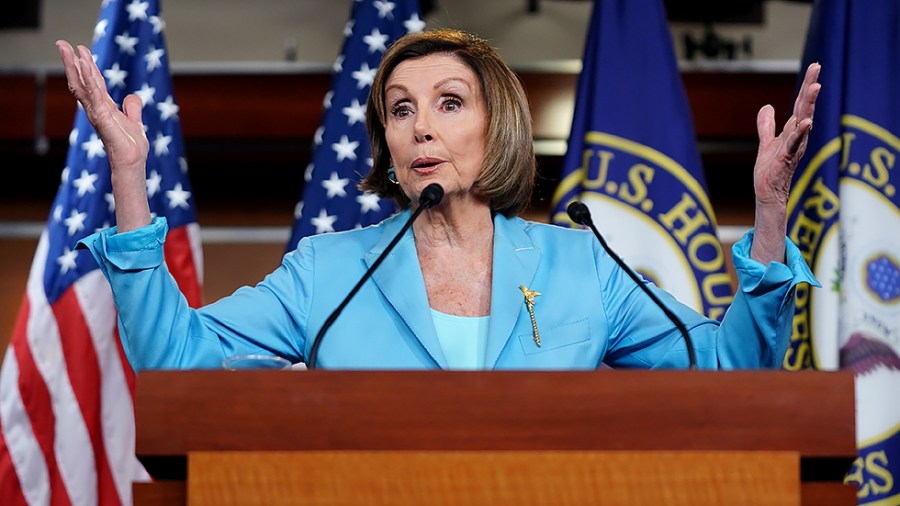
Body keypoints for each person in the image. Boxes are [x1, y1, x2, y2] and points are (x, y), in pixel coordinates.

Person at [56, 29, 821, 370]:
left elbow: (732, 365)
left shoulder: (580, 265)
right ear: (387, 146)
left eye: (449, 102)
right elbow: (174, 357)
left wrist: (768, 211)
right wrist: (128, 174)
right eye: (399, 108)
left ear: (500, 125)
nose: (421, 125)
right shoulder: (330, 270)